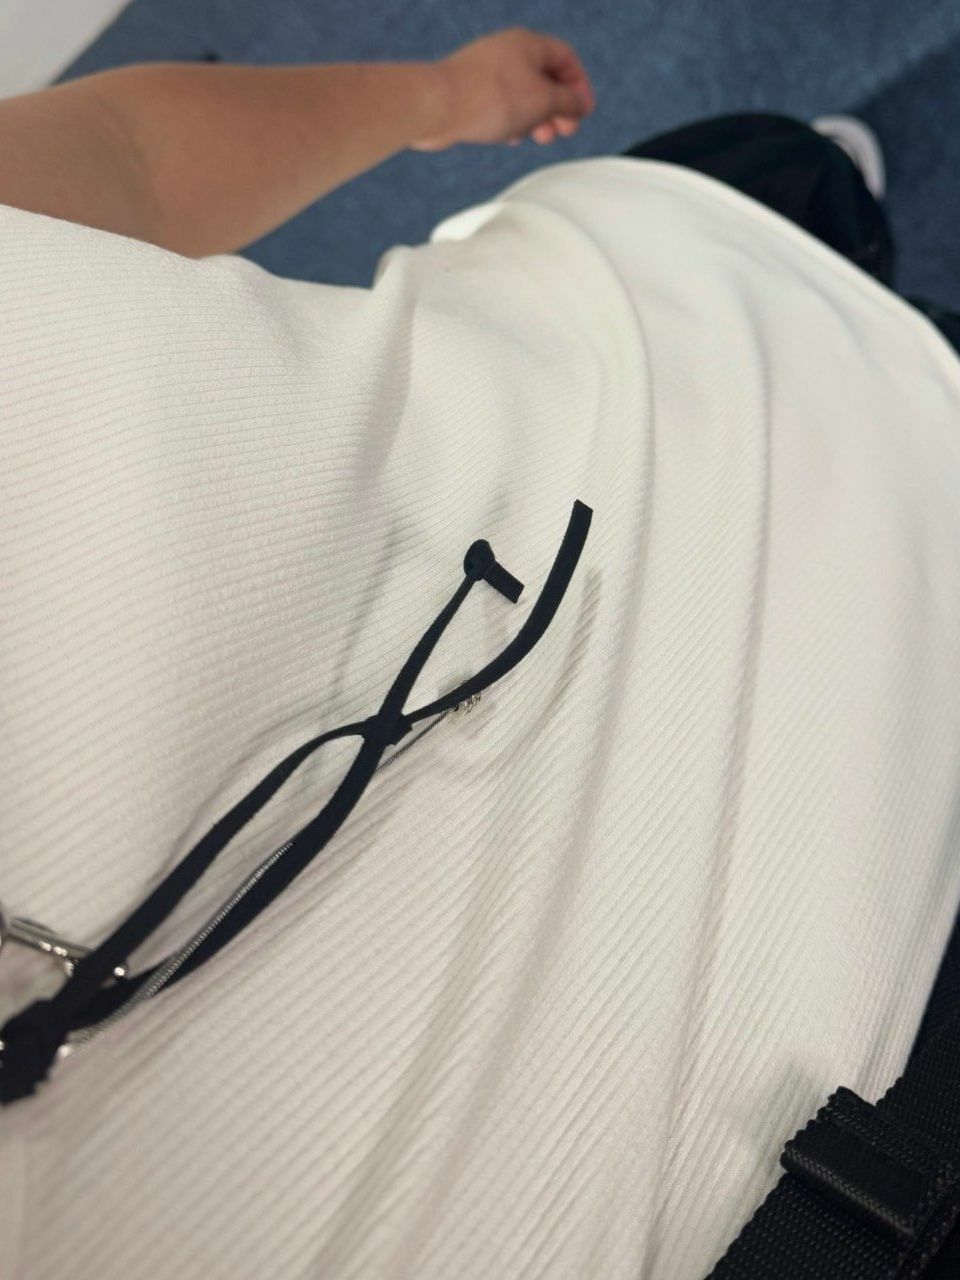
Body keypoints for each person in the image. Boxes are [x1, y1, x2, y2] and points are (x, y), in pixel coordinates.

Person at [1, 25, 959, 1280]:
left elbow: (120, 155)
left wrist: (441, 95)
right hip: (883, 1087)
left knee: (796, 177)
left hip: (653, 298)